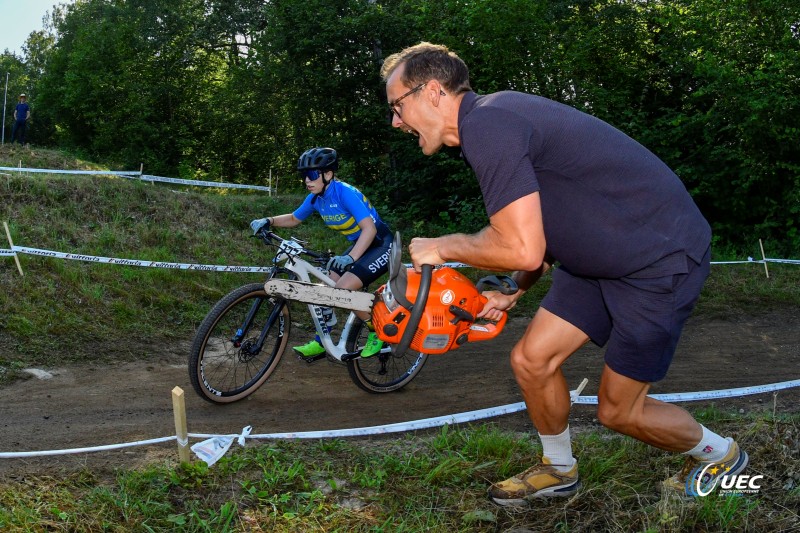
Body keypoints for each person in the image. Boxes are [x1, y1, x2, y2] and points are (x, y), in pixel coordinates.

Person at [380, 42, 747, 505]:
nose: (395, 121)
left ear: (432, 91)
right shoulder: (493, 120)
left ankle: (722, 456)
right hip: (598, 261)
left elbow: (521, 246)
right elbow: (544, 227)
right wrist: (514, 286)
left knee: (619, 411)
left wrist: (443, 246)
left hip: (658, 263)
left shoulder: (489, 125)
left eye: (397, 106)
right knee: (531, 362)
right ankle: (558, 469)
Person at [250, 147, 392, 359]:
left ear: (328, 174)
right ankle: (322, 341)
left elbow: (370, 229)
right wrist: (269, 221)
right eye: (304, 175)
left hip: (380, 243)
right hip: (360, 245)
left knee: (343, 291)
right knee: (326, 288)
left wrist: (351, 258)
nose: (307, 180)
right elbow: (294, 219)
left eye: (312, 175)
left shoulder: (345, 193)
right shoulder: (316, 198)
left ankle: (378, 331)